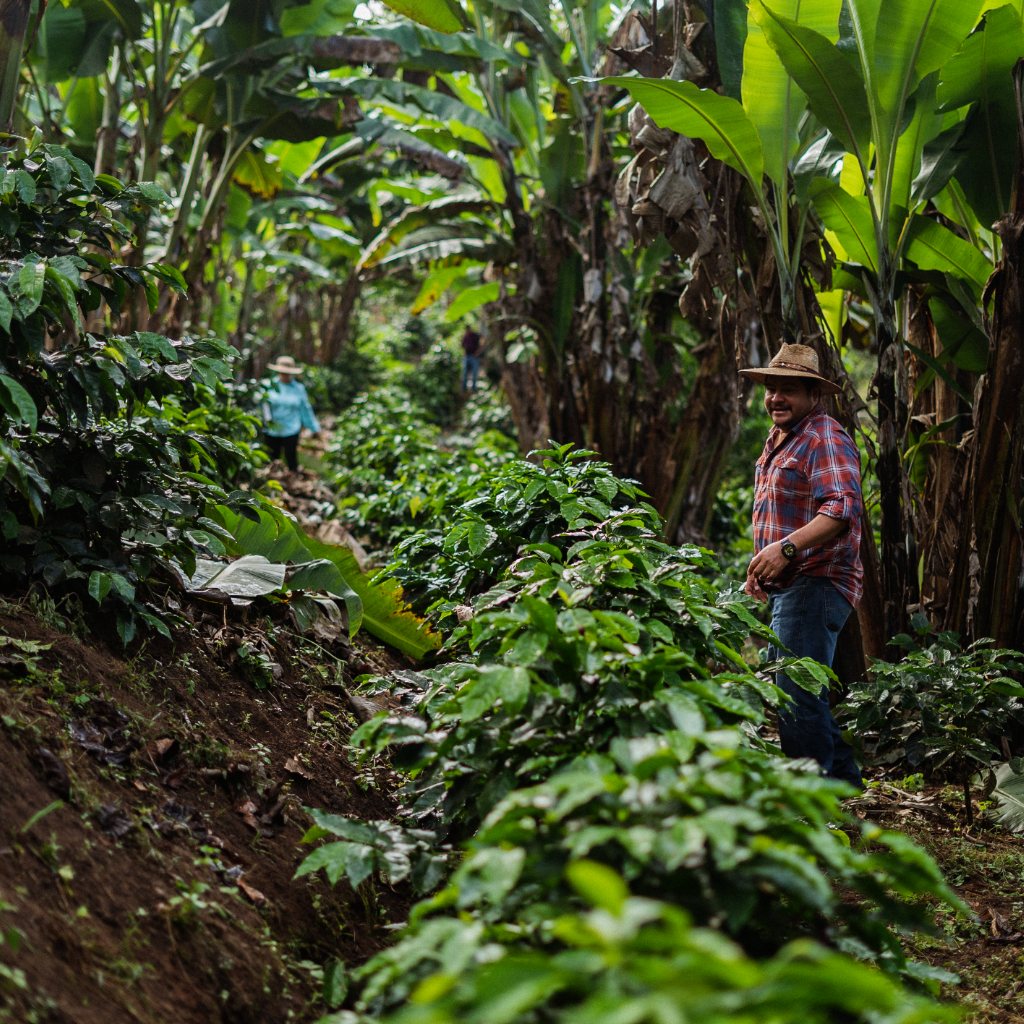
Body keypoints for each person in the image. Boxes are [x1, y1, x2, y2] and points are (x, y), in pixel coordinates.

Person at [738, 343, 864, 788]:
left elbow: (840, 509)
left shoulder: (823, 436)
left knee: (795, 693)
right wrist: (763, 569)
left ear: (814, 394)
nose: (776, 398)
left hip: (817, 581)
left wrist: (785, 551)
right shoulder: (781, 438)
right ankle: (845, 787)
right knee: (799, 687)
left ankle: (812, 803)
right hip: (792, 585)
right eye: (772, 388)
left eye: (788, 390)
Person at [262, 355, 320, 472]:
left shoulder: (298, 389)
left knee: (291, 459)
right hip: (272, 430)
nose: (285, 375)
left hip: (291, 429)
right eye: (282, 372)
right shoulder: (268, 386)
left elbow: (305, 409)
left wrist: (315, 428)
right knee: (271, 460)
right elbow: (264, 406)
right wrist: (266, 421)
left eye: (287, 373)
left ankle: (294, 481)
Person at [461, 326, 483, 391]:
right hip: (467, 356)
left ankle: (474, 388)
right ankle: (464, 388)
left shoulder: (475, 336)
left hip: (474, 356)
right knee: (465, 373)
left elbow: (481, 343)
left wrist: (478, 352)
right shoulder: (465, 336)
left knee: (475, 373)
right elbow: (462, 345)